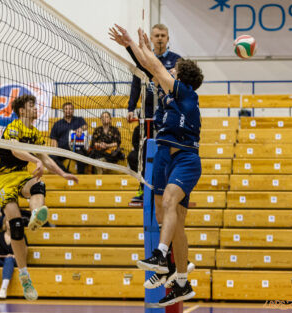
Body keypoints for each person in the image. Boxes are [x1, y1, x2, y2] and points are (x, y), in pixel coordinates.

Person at [110, 25, 204, 305]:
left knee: (169, 206)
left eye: (173, 71)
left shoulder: (185, 92)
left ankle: (162, 256)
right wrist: (135, 48)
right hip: (167, 155)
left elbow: (153, 64)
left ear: (181, 77)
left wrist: (132, 44)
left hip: (186, 158)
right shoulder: (171, 93)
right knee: (171, 222)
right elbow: (150, 66)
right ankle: (181, 280)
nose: (169, 72)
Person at [0, 94, 78, 300]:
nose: (36, 108)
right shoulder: (13, 127)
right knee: (16, 227)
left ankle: (37, 215)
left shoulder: (36, 134)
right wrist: (34, 160)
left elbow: (45, 158)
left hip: (20, 175)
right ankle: (24, 275)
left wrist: (62, 173)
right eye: (32, 106)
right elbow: (15, 149)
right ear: (22, 110)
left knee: (39, 185)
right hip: (3, 178)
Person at [126, 24, 181, 203]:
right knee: (143, 151)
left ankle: (170, 189)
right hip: (148, 114)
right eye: (156, 35)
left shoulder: (176, 60)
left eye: (162, 35)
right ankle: (143, 188)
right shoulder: (144, 60)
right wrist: (130, 107)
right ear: (151, 38)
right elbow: (136, 85)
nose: (159, 38)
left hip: (169, 114)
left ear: (168, 38)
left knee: (168, 152)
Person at [50, 102, 88, 174]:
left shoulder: (79, 120)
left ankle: (81, 176)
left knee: (82, 156)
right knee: (52, 157)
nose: (68, 110)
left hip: (76, 149)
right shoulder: (57, 124)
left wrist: (81, 129)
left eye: (70, 109)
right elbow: (54, 139)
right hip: (62, 150)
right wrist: (54, 150)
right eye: (66, 109)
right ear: (63, 110)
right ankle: (66, 173)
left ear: (73, 110)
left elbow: (85, 126)